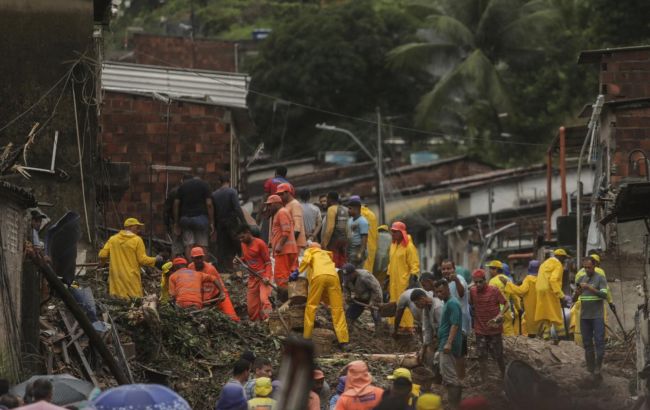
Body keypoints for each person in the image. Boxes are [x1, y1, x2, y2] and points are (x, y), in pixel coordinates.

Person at [413, 280, 462, 408]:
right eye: (437, 292)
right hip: (442, 341)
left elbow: (453, 325)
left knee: (449, 373)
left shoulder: (440, 306)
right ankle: (443, 392)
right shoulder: (427, 308)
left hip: (446, 342)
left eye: (417, 303)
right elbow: (427, 329)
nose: (439, 294)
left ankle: (453, 404)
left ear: (423, 298)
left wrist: (448, 343)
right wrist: (424, 348)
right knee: (438, 364)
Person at [298, 244, 349, 346]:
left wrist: (297, 271)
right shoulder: (326, 255)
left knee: (311, 306)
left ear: (311, 247)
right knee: (337, 309)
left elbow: (305, 262)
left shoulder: (310, 252)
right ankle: (343, 341)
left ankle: (307, 337)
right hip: (334, 277)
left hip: (319, 276)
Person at [98, 217, 161, 298]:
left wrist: (102, 263)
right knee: (134, 302)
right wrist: (156, 259)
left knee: (117, 301)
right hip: (131, 278)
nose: (139, 229)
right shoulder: (137, 240)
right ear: (129, 227)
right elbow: (142, 260)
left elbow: (102, 255)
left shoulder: (113, 239)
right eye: (137, 226)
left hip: (116, 277)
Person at [468, 269, 507, 383]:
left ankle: (504, 376)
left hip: (494, 329)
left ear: (486, 280)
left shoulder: (494, 290)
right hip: (480, 329)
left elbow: (506, 304)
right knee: (481, 356)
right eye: (476, 282)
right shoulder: (473, 291)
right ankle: (485, 380)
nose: (479, 285)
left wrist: (499, 315)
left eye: (481, 282)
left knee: (498, 355)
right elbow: (470, 303)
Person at [573, 257, 609, 379]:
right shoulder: (580, 279)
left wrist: (589, 288)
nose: (587, 270)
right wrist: (577, 293)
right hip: (584, 317)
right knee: (587, 344)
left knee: (599, 342)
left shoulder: (600, 278)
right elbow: (574, 299)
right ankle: (591, 369)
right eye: (585, 267)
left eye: (589, 267)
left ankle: (598, 366)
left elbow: (604, 295)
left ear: (594, 266)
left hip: (597, 317)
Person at [188, 247, 239, 321]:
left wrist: (222, 293)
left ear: (203, 257)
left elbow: (214, 284)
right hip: (202, 297)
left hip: (218, 294)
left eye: (200, 258)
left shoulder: (210, 269)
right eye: (196, 258)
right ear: (192, 259)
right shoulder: (190, 267)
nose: (199, 260)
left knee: (232, 318)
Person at [572, 252, 612, 346]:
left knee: (579, 328)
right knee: (601, 326)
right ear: (596, 263)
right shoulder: (600, 272)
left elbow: (576, 289)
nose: (587, 269)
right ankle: (601, 343)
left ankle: (581, 346)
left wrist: (576, 296)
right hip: (594, 305)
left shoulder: (579, 273)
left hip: (581, 304)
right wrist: (610, 302)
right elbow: (607, 290)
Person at [388, 222, 420, 333]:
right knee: (394, 303)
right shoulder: (393, 246)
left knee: (405, 304)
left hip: (404, 281)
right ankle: (396, 326)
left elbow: (414, 265)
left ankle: (407, 327)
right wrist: (388, 278)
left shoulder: (409, 247)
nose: (392, 234)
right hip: (393, 281)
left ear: (402, 233)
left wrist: (412, 280)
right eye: (392, 231)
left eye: (395, 232)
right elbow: (391, 263)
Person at [173, 174, 214, 259]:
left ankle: (191, 268)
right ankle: (203, 270)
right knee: (202, 245)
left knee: (189, 245)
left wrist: (176, 222)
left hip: (185, 220)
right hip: (201, 219)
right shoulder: (205, 185)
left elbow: (176, 204)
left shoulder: (182, 186)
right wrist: (211, 222)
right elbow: (209, 204)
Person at [440, 260, 469, 377]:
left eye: (449, 268)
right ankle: (454, 377)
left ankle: (461, 378)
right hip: (450, 323)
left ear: (454, 269)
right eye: (444, 269)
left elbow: (462, 294)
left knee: (459, 353)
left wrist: (456, 280)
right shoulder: (444, 283)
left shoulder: (460, 279)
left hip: (460, 324)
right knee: (452, 352)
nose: (446, 271)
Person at [238, 225, 273, 321]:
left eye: (243, 237)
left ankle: (269, 320)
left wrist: (267, 276)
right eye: (240, 238)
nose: (241, 240)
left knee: (264, 300)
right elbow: (245, 258)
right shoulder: (243, 244)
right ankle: (257, 323)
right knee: (251, 308)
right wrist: (239, 261)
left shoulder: (260, 243)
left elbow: (268, 262)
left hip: (263, 277)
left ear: (248, 233)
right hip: (252, 278)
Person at [212, 173, 247, 272]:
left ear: (219, 182)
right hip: (232, 223)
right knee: (237, 244)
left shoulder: (214, 194)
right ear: (229, 181)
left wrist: (214, 227)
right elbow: (237, 208)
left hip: (220, 224)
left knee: (222, 247)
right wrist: (244, 223)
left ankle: (223, 270)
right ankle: (241, 267)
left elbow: (213, 212)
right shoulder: (232, 192)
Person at [535, 249, 570, 342]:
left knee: (546, 315)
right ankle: (562, 338)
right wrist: (561, 296)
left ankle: (546, 337)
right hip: (550, 291)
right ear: (560, 256)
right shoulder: (558, 264)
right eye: (564, 258)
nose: (565, 260)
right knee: (556, 315)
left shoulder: (544, 263)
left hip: (540, 291)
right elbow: (553, 280)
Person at [501, 260, 540, 337]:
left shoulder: (528, 279)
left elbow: (521, 291)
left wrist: (508, 284)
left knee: (531, 332)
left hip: (531, 310)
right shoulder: (541, 279)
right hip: (541, 309)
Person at [267, 195, 298, 289]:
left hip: (283, 252)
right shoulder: (282, 212)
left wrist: (279, 245)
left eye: (270, 205)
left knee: (281, 277)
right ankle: (294, 297)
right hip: (289, 250)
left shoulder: (281, 212)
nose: (268, 207)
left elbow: (286, 231)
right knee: (292, 276)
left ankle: (284, 299)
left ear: (276, 204)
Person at [340, 263, 383, 331]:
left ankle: (380, 331)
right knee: (349, 315)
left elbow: (376, 289)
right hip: (360, 295)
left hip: (374, 294)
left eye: (349, 276)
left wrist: (373, 301)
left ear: (354, 272)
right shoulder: (346, 278)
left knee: (375, 314)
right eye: (346, 276)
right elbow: (345, 287)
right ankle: (349, 329)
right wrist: (347, 296)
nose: (347, 278)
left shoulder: (365, 276)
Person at [486, 260, 521, 336]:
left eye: (491, 268)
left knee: (497, 333)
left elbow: (490, 298)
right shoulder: (508, 279)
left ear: (496, 269)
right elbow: (514, 295)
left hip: (497, 311)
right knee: (509, 333)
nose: (489, 271)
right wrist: (518, 308)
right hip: (508, 310)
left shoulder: (492, 281)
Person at [321, 192, 350, 267]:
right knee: (343, 263)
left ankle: (336, 278)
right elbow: (348, 227)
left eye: (327, 199)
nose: (326, 201)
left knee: (334, 264)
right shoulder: (345, 209)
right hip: (344, 240)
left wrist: (324, 243)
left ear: (330, 199)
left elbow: (330, 228)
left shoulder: (331, 209)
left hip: (334, 241)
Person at [277, 183, 307, 252]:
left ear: (288, 193)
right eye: (279, 195)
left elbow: (297, 227)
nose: (280, 197)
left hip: (297, 244)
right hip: (292, 244)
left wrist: (292, 243)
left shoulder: (295, 204)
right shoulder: (287, 205)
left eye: (282, 194)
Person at [346, 198, 369, 268]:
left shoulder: (363, 221)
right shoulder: (350, 220)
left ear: (356, 209)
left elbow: (364, 239)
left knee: (357, 272)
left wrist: (360, 253)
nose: (348, 211)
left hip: (357, 250)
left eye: (350, 208)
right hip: (350, 250)